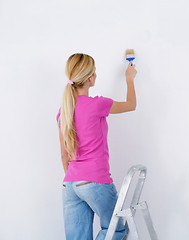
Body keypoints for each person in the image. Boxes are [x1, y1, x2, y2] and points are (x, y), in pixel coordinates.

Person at [57, 53, 137, 240]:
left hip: (70, 184)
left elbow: (63, 155)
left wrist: (75, 178)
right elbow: (131, 105)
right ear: (90, 77)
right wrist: (129, 79)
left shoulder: (64, 111)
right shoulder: (97, 104)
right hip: (95, 181)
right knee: (115, 230)